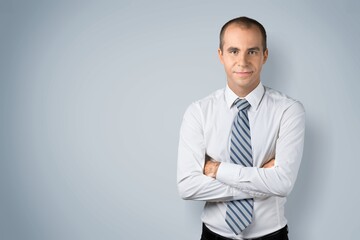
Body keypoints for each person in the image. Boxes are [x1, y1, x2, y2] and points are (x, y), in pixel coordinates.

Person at [177, 16, 305, 240]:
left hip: (271, 236)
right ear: (221, 55)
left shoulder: (289, 111)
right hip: (213, 235)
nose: (243, 61)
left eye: (252, 51)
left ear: (265, 55)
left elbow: (283, 183)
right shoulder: (198, 112)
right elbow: (188, 187)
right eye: (234, 51)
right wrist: (263, 183)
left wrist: (218, 171)